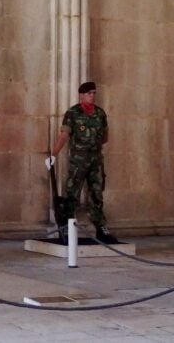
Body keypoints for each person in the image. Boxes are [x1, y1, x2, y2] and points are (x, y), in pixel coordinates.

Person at [46, 81, 118, 244]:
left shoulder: (100, 113)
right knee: (72, 194)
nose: (92, 96)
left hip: (96, 160)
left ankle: (101, 228)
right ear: (81, 95)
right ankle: (66, 228)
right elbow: (64, 136)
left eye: (94, 93)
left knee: (97, 194)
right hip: (78, 161)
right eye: (88, 93)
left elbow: (105, 137)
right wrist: (53, 154)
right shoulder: (73, 113)